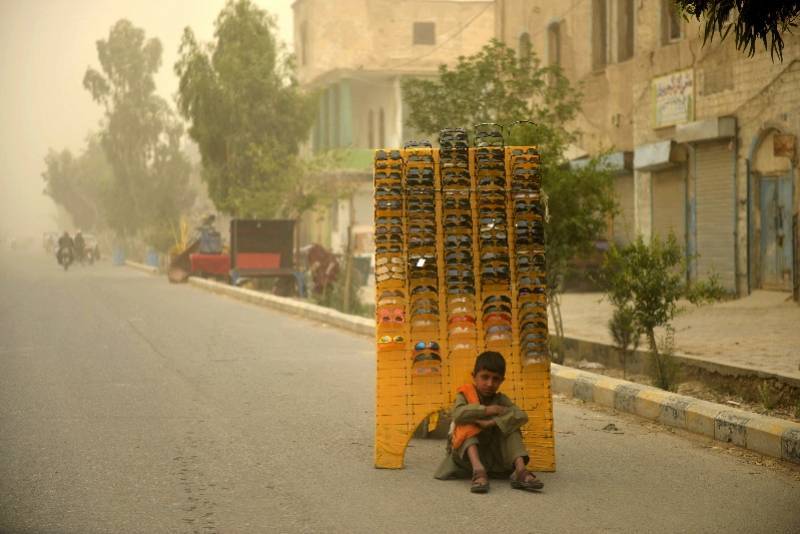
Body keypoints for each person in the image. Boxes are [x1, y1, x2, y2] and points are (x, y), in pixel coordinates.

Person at [434, 351, 544, 493]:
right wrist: (488, 410)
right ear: (474, 376)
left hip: (496, 463)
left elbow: (521, 415)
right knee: (466, 422)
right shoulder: (465, 394)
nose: (490, 383)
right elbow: (458, 414)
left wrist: (492, 422)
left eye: (495, 379)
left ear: (501, 381)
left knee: (511, 425)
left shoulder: (501, 399)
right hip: (465, 461)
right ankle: (478, 471)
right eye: (484, 377)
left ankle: (521, 472)